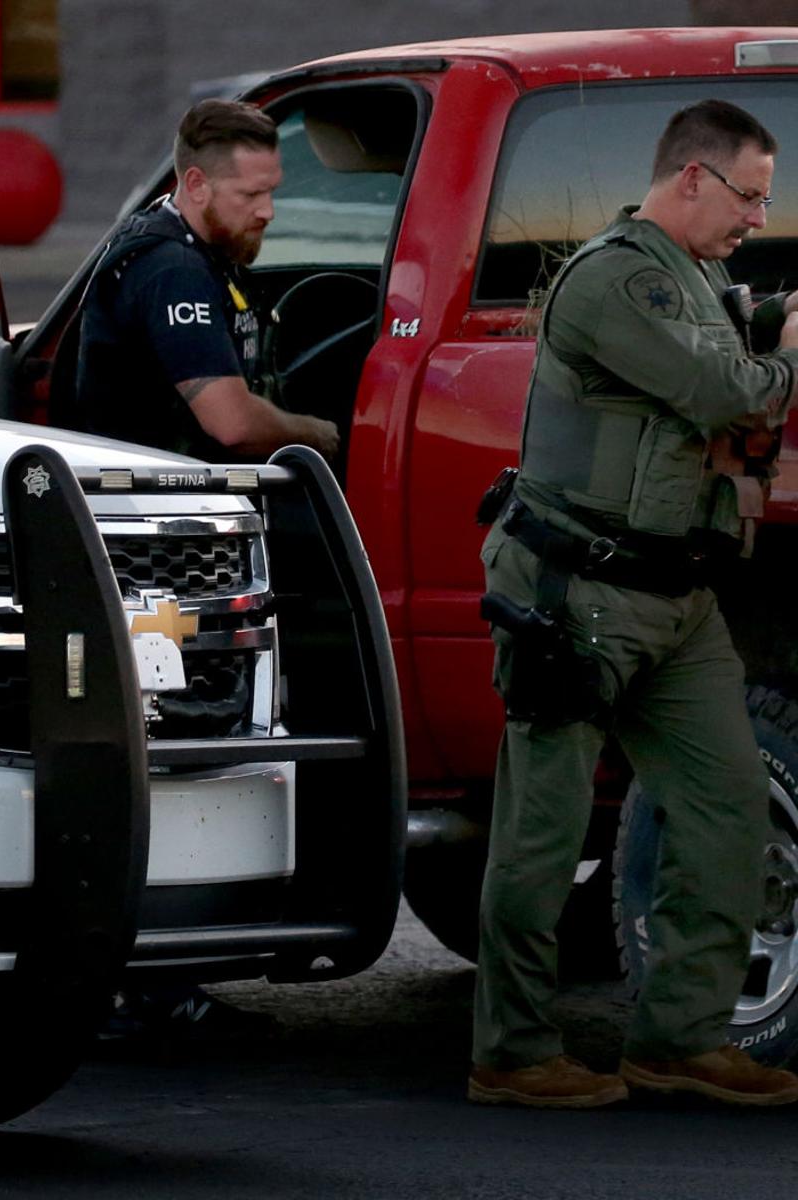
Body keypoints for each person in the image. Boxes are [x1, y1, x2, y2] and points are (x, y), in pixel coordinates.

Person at [469, 99, 798, 1109]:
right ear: (692, 177)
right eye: (749, 196)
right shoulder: (616, 278)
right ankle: (512, 1052)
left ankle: (681, 1039)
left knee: (728, 805)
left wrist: (769, 335)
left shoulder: (694, 277)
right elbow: (727, 392)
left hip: (673, 593)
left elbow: (728, 364)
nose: (759, 218)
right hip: (577, 592)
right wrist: (789, 354)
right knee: (544, 829)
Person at [75, 98, 339, 462]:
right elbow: (233, 426)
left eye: (271, 191)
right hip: (159, 488)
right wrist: (317, 435)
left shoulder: (197, 243)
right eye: (250, 194)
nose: (268, 211)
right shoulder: (173, 270)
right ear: (197, 184)